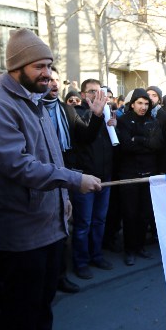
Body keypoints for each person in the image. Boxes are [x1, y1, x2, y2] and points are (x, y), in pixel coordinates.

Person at [0, 28, 102, 330]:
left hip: (49, 221)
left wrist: (65, 199)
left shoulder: (34, 100)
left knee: (44, 294)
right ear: (17, 67)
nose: (47, 73)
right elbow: (19, 166)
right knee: (20, 305)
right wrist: (74, 180)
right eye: (39, 66)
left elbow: (52, 156)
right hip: (21, 226)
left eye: (49, 66)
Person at [66, 79, 112, 280]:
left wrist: (113, 125)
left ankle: (96, 255)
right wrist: (97, 116)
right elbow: (85, 137)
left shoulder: (108, 113)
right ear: (83, 94)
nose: (96, 94)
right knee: (83, 222)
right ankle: (81, 261)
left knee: (99, 220)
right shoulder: (75, 113)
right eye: (91, 91)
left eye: (99, 90)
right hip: (85, 177)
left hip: (105, 177)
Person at [116, 88, 164, 265]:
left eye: (146, 103)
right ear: (133, 104)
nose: (143, 107)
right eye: (140, 103)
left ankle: (140, 247)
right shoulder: (123, 121)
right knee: (129, 214)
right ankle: (129, 250)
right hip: (129, 175)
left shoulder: (153, 121)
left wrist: (139, 139)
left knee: (144, 213)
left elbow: (158, 144)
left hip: (148, 174)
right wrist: (145, 142)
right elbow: (126, 146)